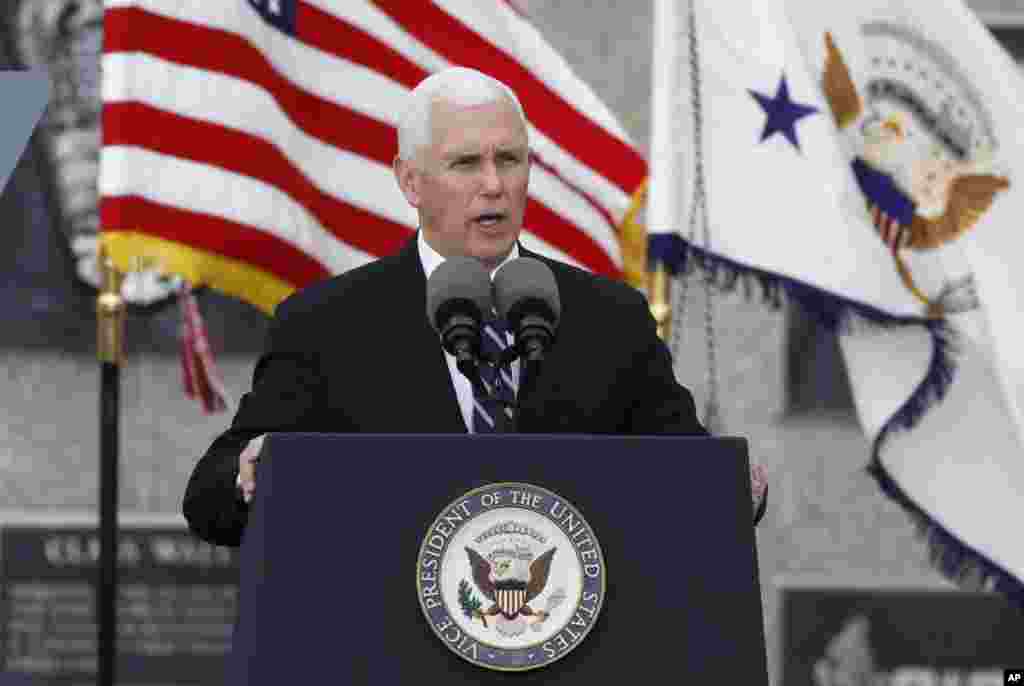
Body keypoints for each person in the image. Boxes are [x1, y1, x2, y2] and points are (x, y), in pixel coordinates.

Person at [182, 67, 766, 547]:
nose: (495, 185)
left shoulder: (609, 320)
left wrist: (742, 488)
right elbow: (210, 500)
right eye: (467, 164)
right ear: (411, 182)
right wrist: (250, 472)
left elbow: (693, 477)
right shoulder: (327, 325)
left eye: (510, 160)